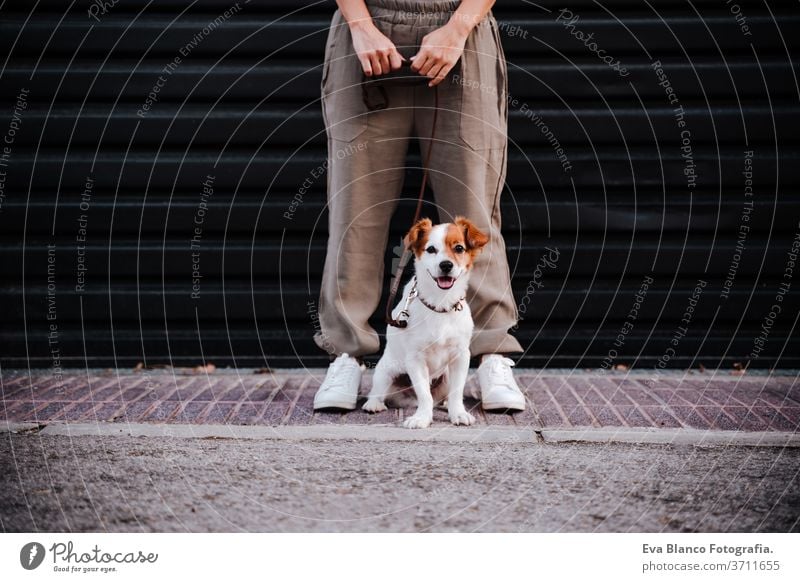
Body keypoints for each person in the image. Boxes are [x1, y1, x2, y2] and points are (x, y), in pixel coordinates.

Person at [312, 0, 526, 412]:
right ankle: (347, 355)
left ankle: (491, 355)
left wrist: (459, 26)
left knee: (475, 210)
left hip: (464, 28)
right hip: (366, 27)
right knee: (355, 212)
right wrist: (360, 25)